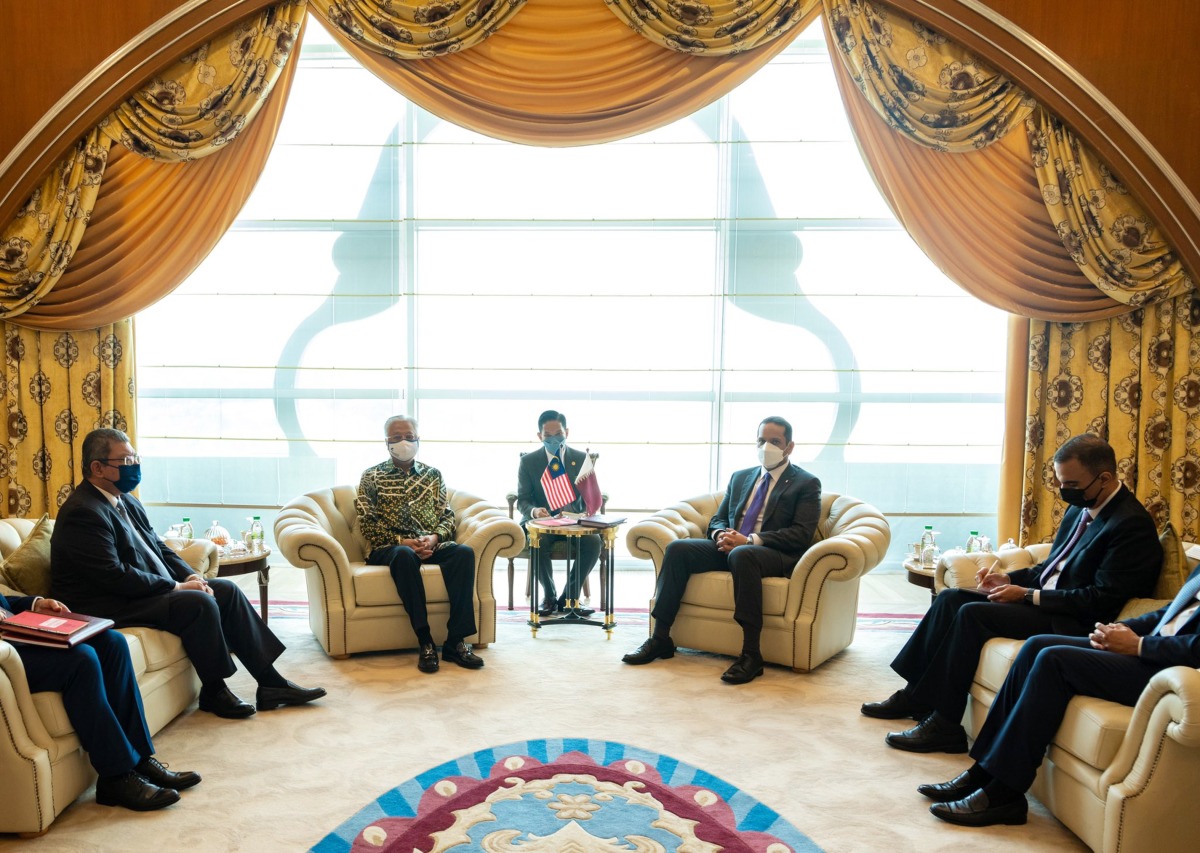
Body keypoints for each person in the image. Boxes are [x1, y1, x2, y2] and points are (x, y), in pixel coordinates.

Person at [861, 434, 1161, 753]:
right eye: (1060, 483)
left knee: (973, 614)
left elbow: (1101, 599)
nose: (1064, 493)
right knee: (952, 598)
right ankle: (915, 695)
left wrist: (1026, 595)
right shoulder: (1082, 507)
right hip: (1049, 604)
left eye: (1072, 484)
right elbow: (1054, 568)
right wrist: (1007, 577)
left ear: (1105, 478)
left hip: (1075, 621)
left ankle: (946, 725)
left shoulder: (1131, 526)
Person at [51, 429, 326, 720]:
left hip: (135, 592)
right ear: (97, 467)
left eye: (136, 458)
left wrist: (192, 577)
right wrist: (175, 588)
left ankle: (271, 683)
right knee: (199, 603)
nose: (134, 466)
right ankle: (214, 690)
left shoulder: (126, 500)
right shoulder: (83, 512)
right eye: (126, 460)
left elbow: (158, 546)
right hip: (106, 602)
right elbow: (113, 575)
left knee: (225, 591)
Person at [919, 562, 1200, 827]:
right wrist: (1120, 629)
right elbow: (1169, 616)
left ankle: (1004, 794)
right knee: (1037, 646)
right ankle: (983, 772)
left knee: (1054, 660)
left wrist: (1140, 645)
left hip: (1173, 672)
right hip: (1150, 647)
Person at [622, 416, 821, 684]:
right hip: (732, 546)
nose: (767, 446)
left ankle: (752, 655)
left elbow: (801, 534)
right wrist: (720, 535)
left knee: (742, 554)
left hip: (772, 553)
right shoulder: (741, 478)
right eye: (762, 440)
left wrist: (749, 540)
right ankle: (660, 638)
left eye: (775, 442)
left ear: (789, 447)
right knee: (679, 548)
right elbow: (717, 519)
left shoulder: (806, 483)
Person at [0, 592, 198, 811]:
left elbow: (4, 603)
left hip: (14, 633)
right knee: (81, 660)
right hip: (6, 652)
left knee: (112, 642)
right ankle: (116, 777)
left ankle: (139, 759)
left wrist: (35, 604)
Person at [356, 415, 483, 674]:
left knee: (463, 553)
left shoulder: (433, 475)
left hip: (429, 543)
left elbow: (447, 516)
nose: (404, 441)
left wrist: (434, 538)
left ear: (418, 439)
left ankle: (455, 641)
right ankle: (425, 639)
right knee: (404, 555)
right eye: (396, 437)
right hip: (390, 548)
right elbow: (366, 522)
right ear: (387, 442)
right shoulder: (371, 476)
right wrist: (402, 541)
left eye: (409, 436)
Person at [517, 410, 601, 617]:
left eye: (559, 434)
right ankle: (549, 596)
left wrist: (585, 512)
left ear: (567, 432)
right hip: (542, 522)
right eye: (548, 435)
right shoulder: (529, 461)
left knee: (594, 542)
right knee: (538, 542)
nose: (554, 439)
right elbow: (523, 499)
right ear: (539, 436)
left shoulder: (581, 458)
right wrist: (535, 511)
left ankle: (570, 598)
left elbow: (591, 495)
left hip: (573, 522)